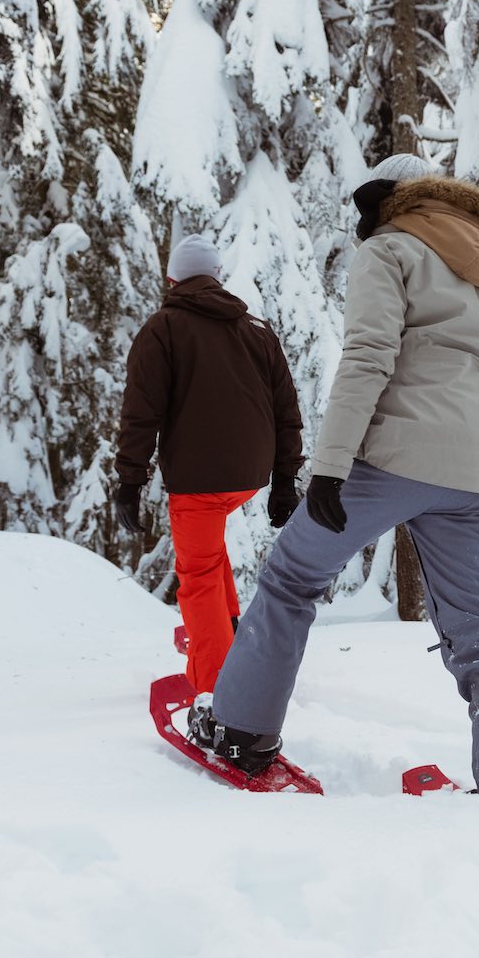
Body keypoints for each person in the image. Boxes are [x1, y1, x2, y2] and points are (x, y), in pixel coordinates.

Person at [189, 155, 479, 810]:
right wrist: (462, 454)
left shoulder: (390, 252)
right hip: (474, 473)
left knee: (291, 578)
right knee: (477, 629)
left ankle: (240, 732)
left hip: (390, 457)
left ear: (392, 201)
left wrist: (330, 467)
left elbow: (368, 356)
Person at [115, 234, 304, 697]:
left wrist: (129, 480)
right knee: (209, 555)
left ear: (172, 278)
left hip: (199, 481)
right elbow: (286, 410)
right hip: (249, 477)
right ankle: (231, 637)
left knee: (197, 578)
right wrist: (284, 483)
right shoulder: (257, 330)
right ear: (218, 277)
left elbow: (142, 411)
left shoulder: (163, 328)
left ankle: (221, 692)